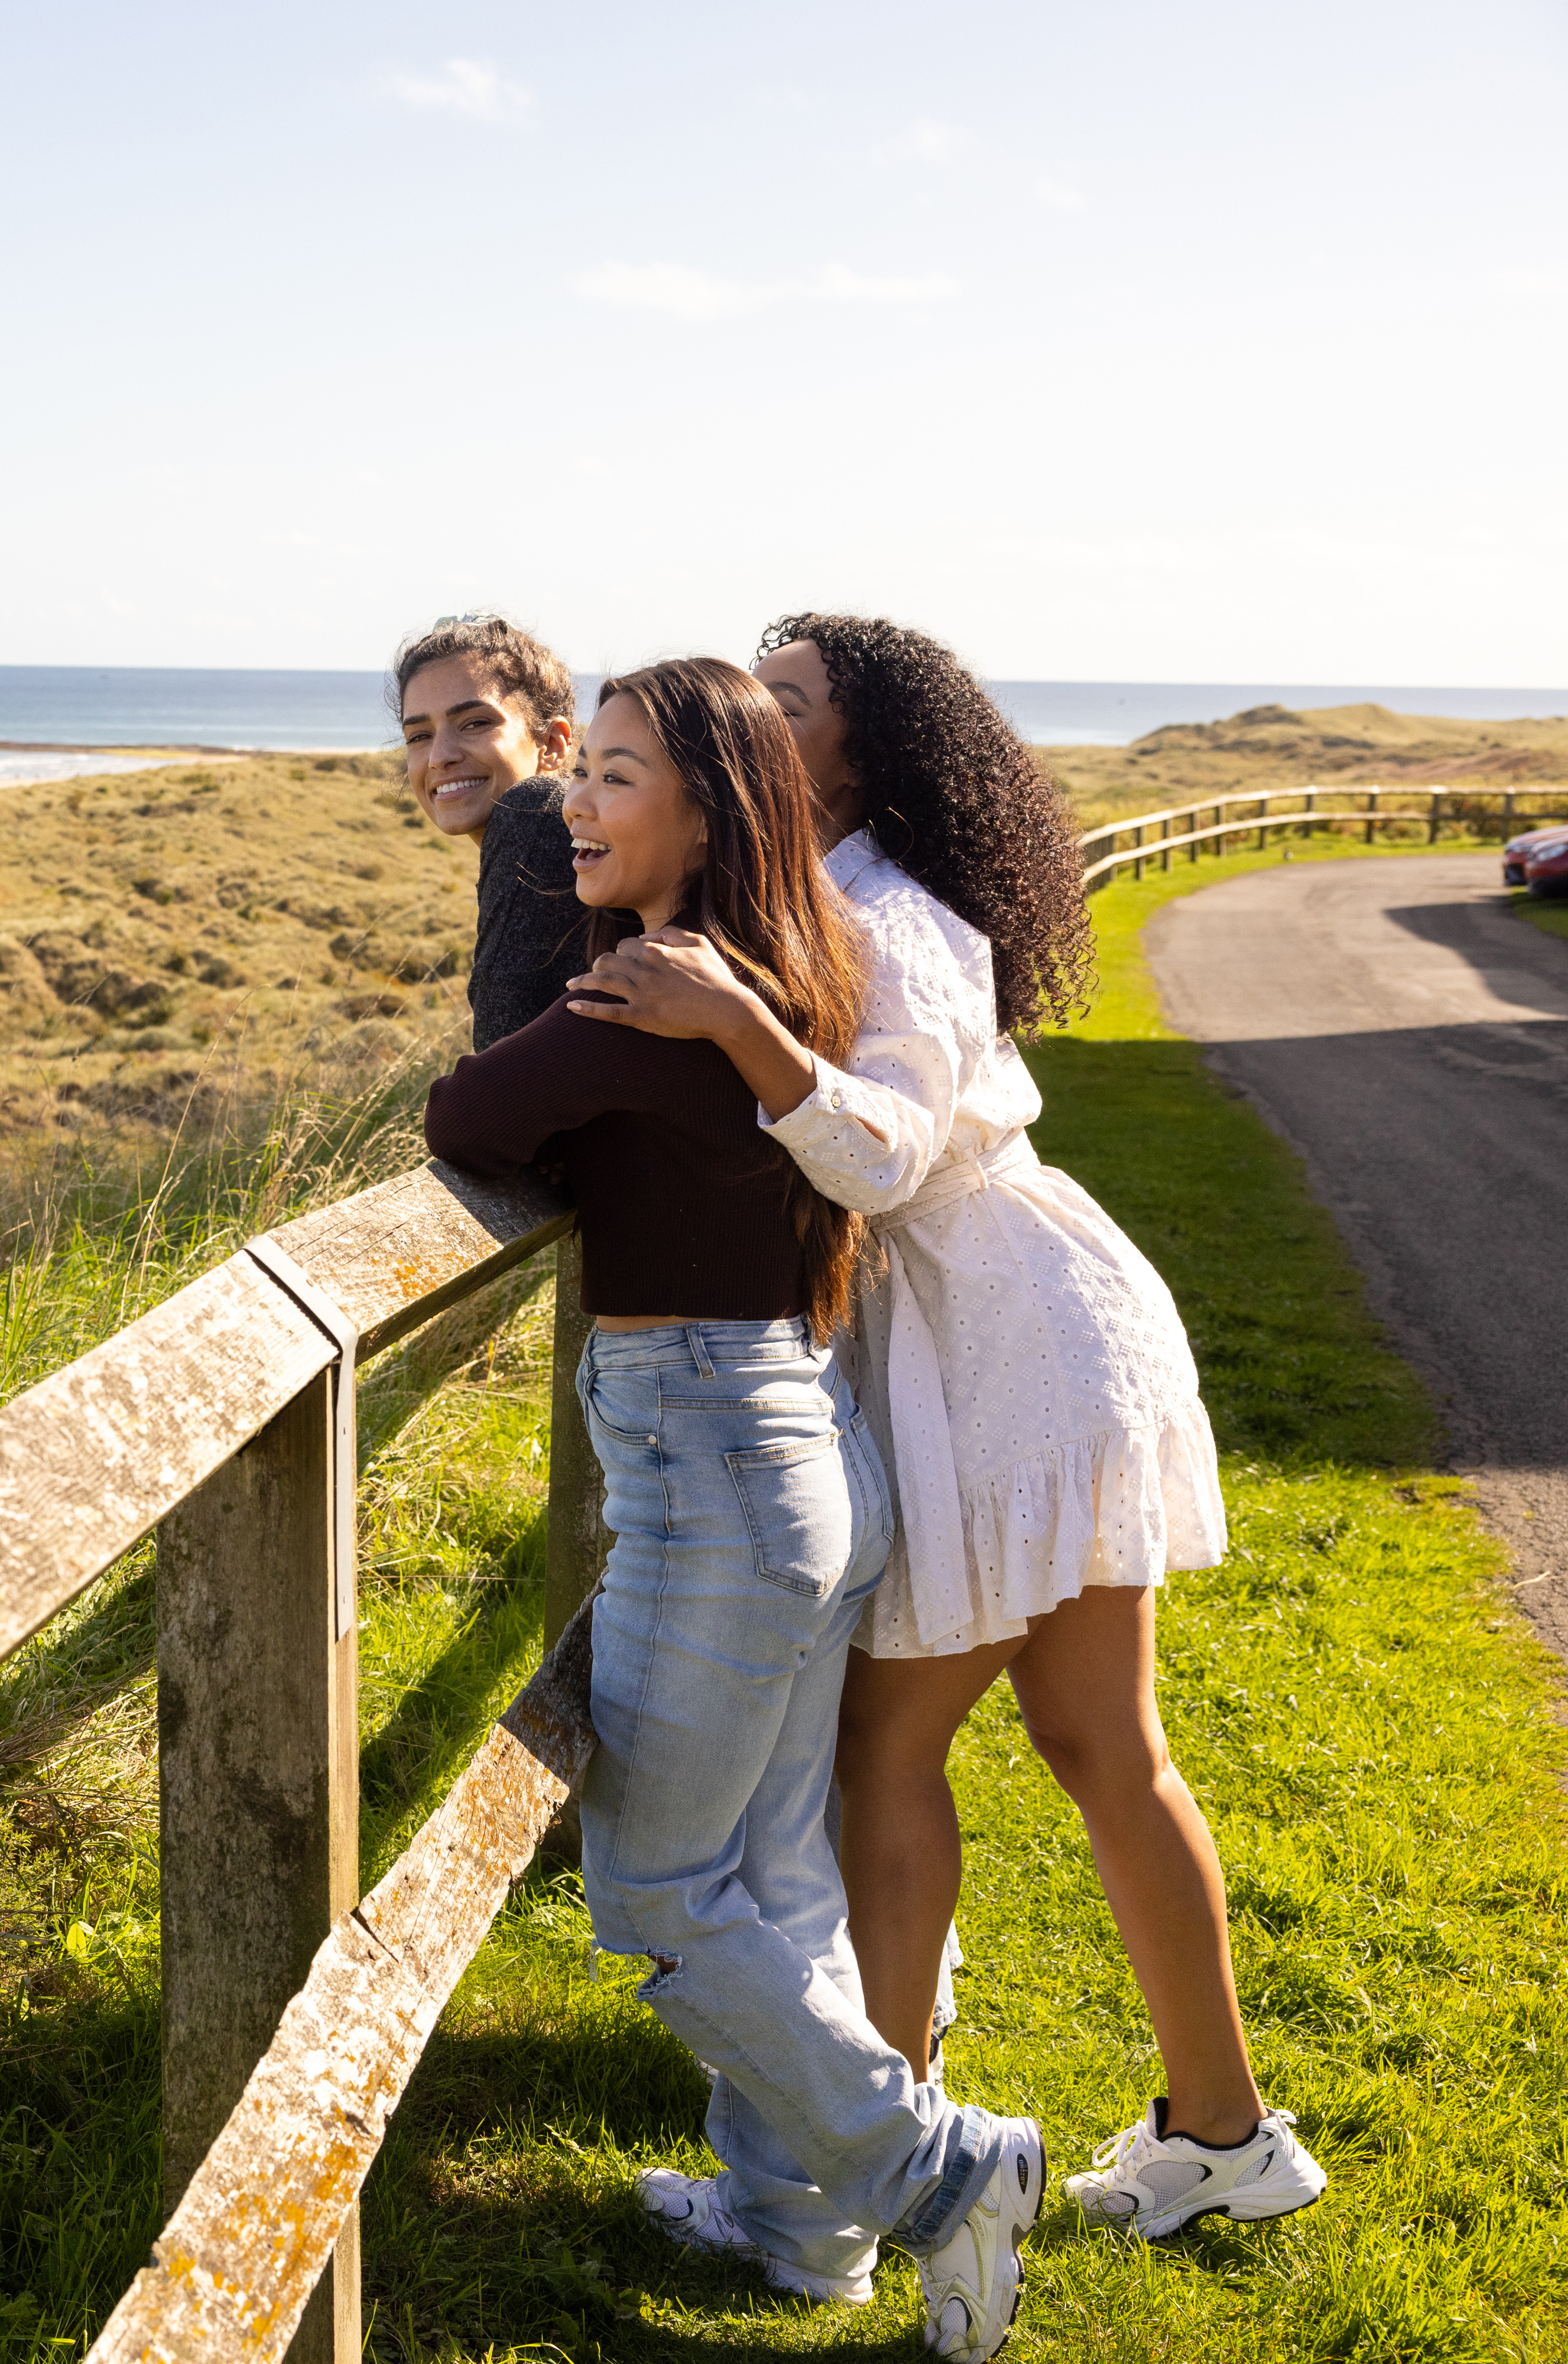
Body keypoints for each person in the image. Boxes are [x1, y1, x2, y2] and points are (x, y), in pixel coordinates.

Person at [566, 613, 1326, 2251]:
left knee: (899, 1759)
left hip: (1007, 1342)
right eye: (751, 695)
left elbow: (890, 1160)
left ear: (863, 743)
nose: (759, 717)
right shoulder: (818, 895)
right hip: (987, 1331)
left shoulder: (882, 916)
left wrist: (738, 1033)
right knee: (1083, 1750)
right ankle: (1218, 2136)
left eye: (793, 699)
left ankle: (880, 2171)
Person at [427, 656, 1046, 2359]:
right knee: (770, 1873)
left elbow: (468, 1113)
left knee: (653, 1892)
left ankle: (935, 2172)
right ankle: (800, 2231)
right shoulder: (793, 969)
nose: (577, 805)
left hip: (713, 1471)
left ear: (705, 810)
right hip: (796, 1445)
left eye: (614, 777)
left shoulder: (660, 988)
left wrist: (579, 995)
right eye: (585, 772)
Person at [392, 613, 585, 1048]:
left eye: (475, 724)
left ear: (552, 745)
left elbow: (498, 1076)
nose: (439, 756)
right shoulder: (580, 837)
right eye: (418, 736)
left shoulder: (537, 815)